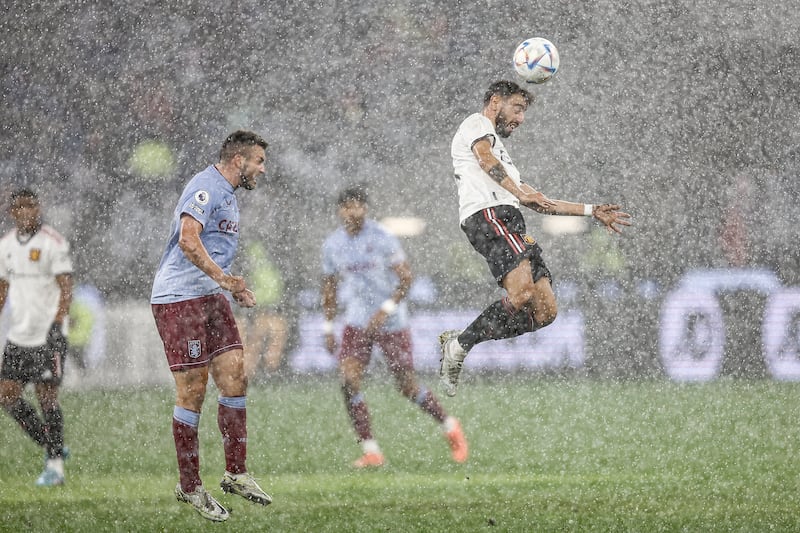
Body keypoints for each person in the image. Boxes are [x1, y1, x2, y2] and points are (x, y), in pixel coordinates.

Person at [440, 80, 632, 396]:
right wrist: (517, 193)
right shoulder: (476, 125)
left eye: (524, 112)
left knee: (545, 313)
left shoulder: (505, 160)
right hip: (488, 216)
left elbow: (539, 200)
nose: (520, 119)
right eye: (517, 108)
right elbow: (485, 161)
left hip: (511, 223)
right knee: (521, 294)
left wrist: (591, 211)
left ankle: (461, 342)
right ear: (494, 101)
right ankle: (460, 346)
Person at [151, 130, 272, 522]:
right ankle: (190, 487)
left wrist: (230, 286)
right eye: (259, 162)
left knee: (236, 376)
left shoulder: (230, 195)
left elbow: (211, 249)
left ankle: (235, 473)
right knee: (193, 391)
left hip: (210, 297)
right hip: (180, 299)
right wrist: (224, 279)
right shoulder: (206, 186)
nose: (262, 170)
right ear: (239, 160)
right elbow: (188, 240)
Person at [321, 186, 468, 468]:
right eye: (348, 206)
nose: (353, 212)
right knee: (348, 381)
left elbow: (406, 279)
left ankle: (450, 426)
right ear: (340, 210)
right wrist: (328, 326)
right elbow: (329, 287)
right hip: (356, 322)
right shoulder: (332, 245)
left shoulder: (383, 237)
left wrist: (385, 309)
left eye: (358, 206)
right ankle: (371, 450)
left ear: (366, 209)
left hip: (392, 322)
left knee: (407, 386)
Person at [0, 188, 73, 486]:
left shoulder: (52, 243)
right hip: (20, 335)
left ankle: (55, 467)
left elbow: (66, 287)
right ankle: (51, 443)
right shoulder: (4, 246)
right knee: (6, 396)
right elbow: (3, 289)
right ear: (12, 212)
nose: (27, 211)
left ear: (38, 208)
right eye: (21, 207)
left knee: (47, 397)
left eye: (32, 205)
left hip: (48, 335)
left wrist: (57, 324)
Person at [238, 240, 288, 381]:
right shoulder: (253, 258)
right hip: (256, 305)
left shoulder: (264, 258)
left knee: (259, 340)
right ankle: (252, 374)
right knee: (255, 341)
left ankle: (260, 373)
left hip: (263, 305)